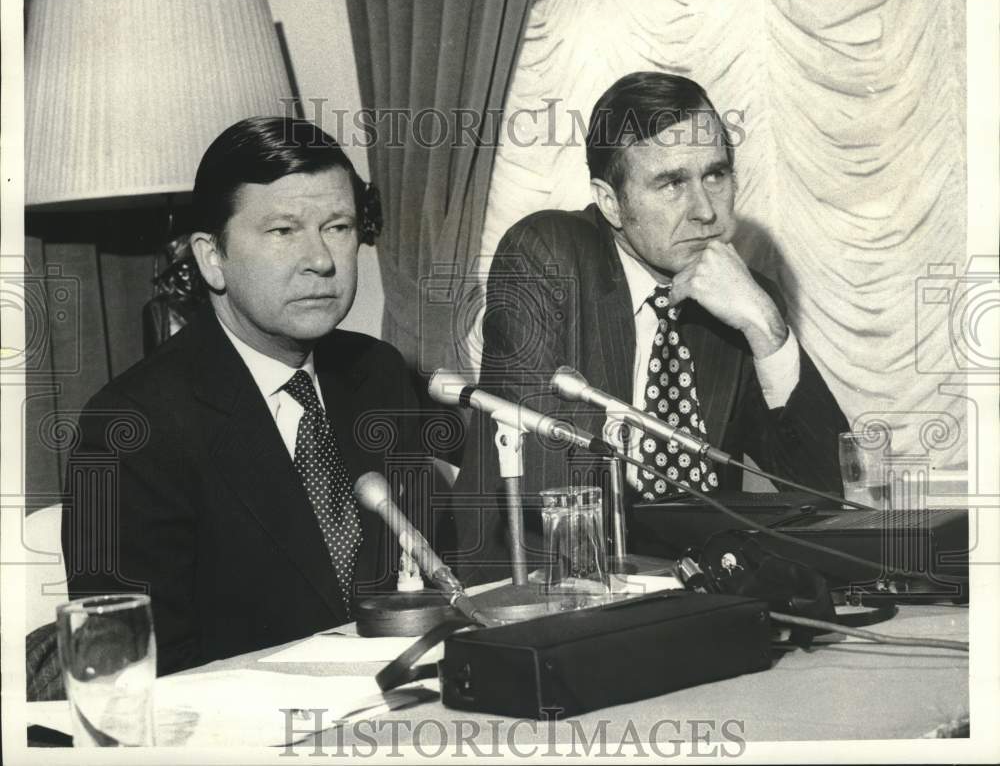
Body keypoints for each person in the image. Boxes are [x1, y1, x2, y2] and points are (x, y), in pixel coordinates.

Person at [447, 72, 849, 584]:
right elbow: (548, 501)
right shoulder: (548, 255)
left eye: (716, 175)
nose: (705, 211)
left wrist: (767, 329)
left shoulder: (742, 296)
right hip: (541, 590)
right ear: (611, 201)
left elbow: (830, 498)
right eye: (672, 183)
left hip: (699, 591)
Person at [61, 117, 426, 675]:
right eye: (283, 231)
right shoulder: (129, 426)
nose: (321, 259)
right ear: (212, 257)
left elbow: (421, 588)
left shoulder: (378, 373)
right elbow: (131, 671)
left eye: (338, 227)